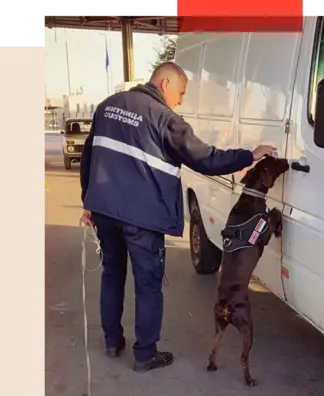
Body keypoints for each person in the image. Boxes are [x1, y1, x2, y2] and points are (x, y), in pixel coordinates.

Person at [79, 61, 276, 372]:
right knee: (147, 283)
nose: (181, 100)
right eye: (181, 93)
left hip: (104, 209)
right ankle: (144, 355)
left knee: (112, 274)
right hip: (141, 216)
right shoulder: (164, 118)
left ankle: (113, 341)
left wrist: (87, 201)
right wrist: (250, 155)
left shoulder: (108, 106)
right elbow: (206, 158)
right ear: (165, 84)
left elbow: (89, 156)